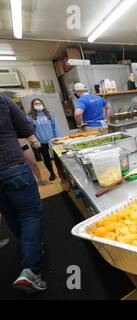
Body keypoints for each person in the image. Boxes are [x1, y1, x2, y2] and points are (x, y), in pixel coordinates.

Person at [0, 93, 47, 293]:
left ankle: (32, 248)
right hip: (11, 163)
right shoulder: (2, 99)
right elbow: (25, 128)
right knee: (30, 215)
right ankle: (31, 271)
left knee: (9, 213)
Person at [27, 99, 61, 182]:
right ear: (33, 106)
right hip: (40, 142)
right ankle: (52, 173)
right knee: (46, 159)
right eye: (36, 104)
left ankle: (60, 172)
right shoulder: (29, 117)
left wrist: (58, 139)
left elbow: (55, 127)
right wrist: (34, 142)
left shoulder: (49, 114)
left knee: (57, 158)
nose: (38, 105)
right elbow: (29, 130)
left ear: (43, 104)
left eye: (40, 103)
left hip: (52, 140)